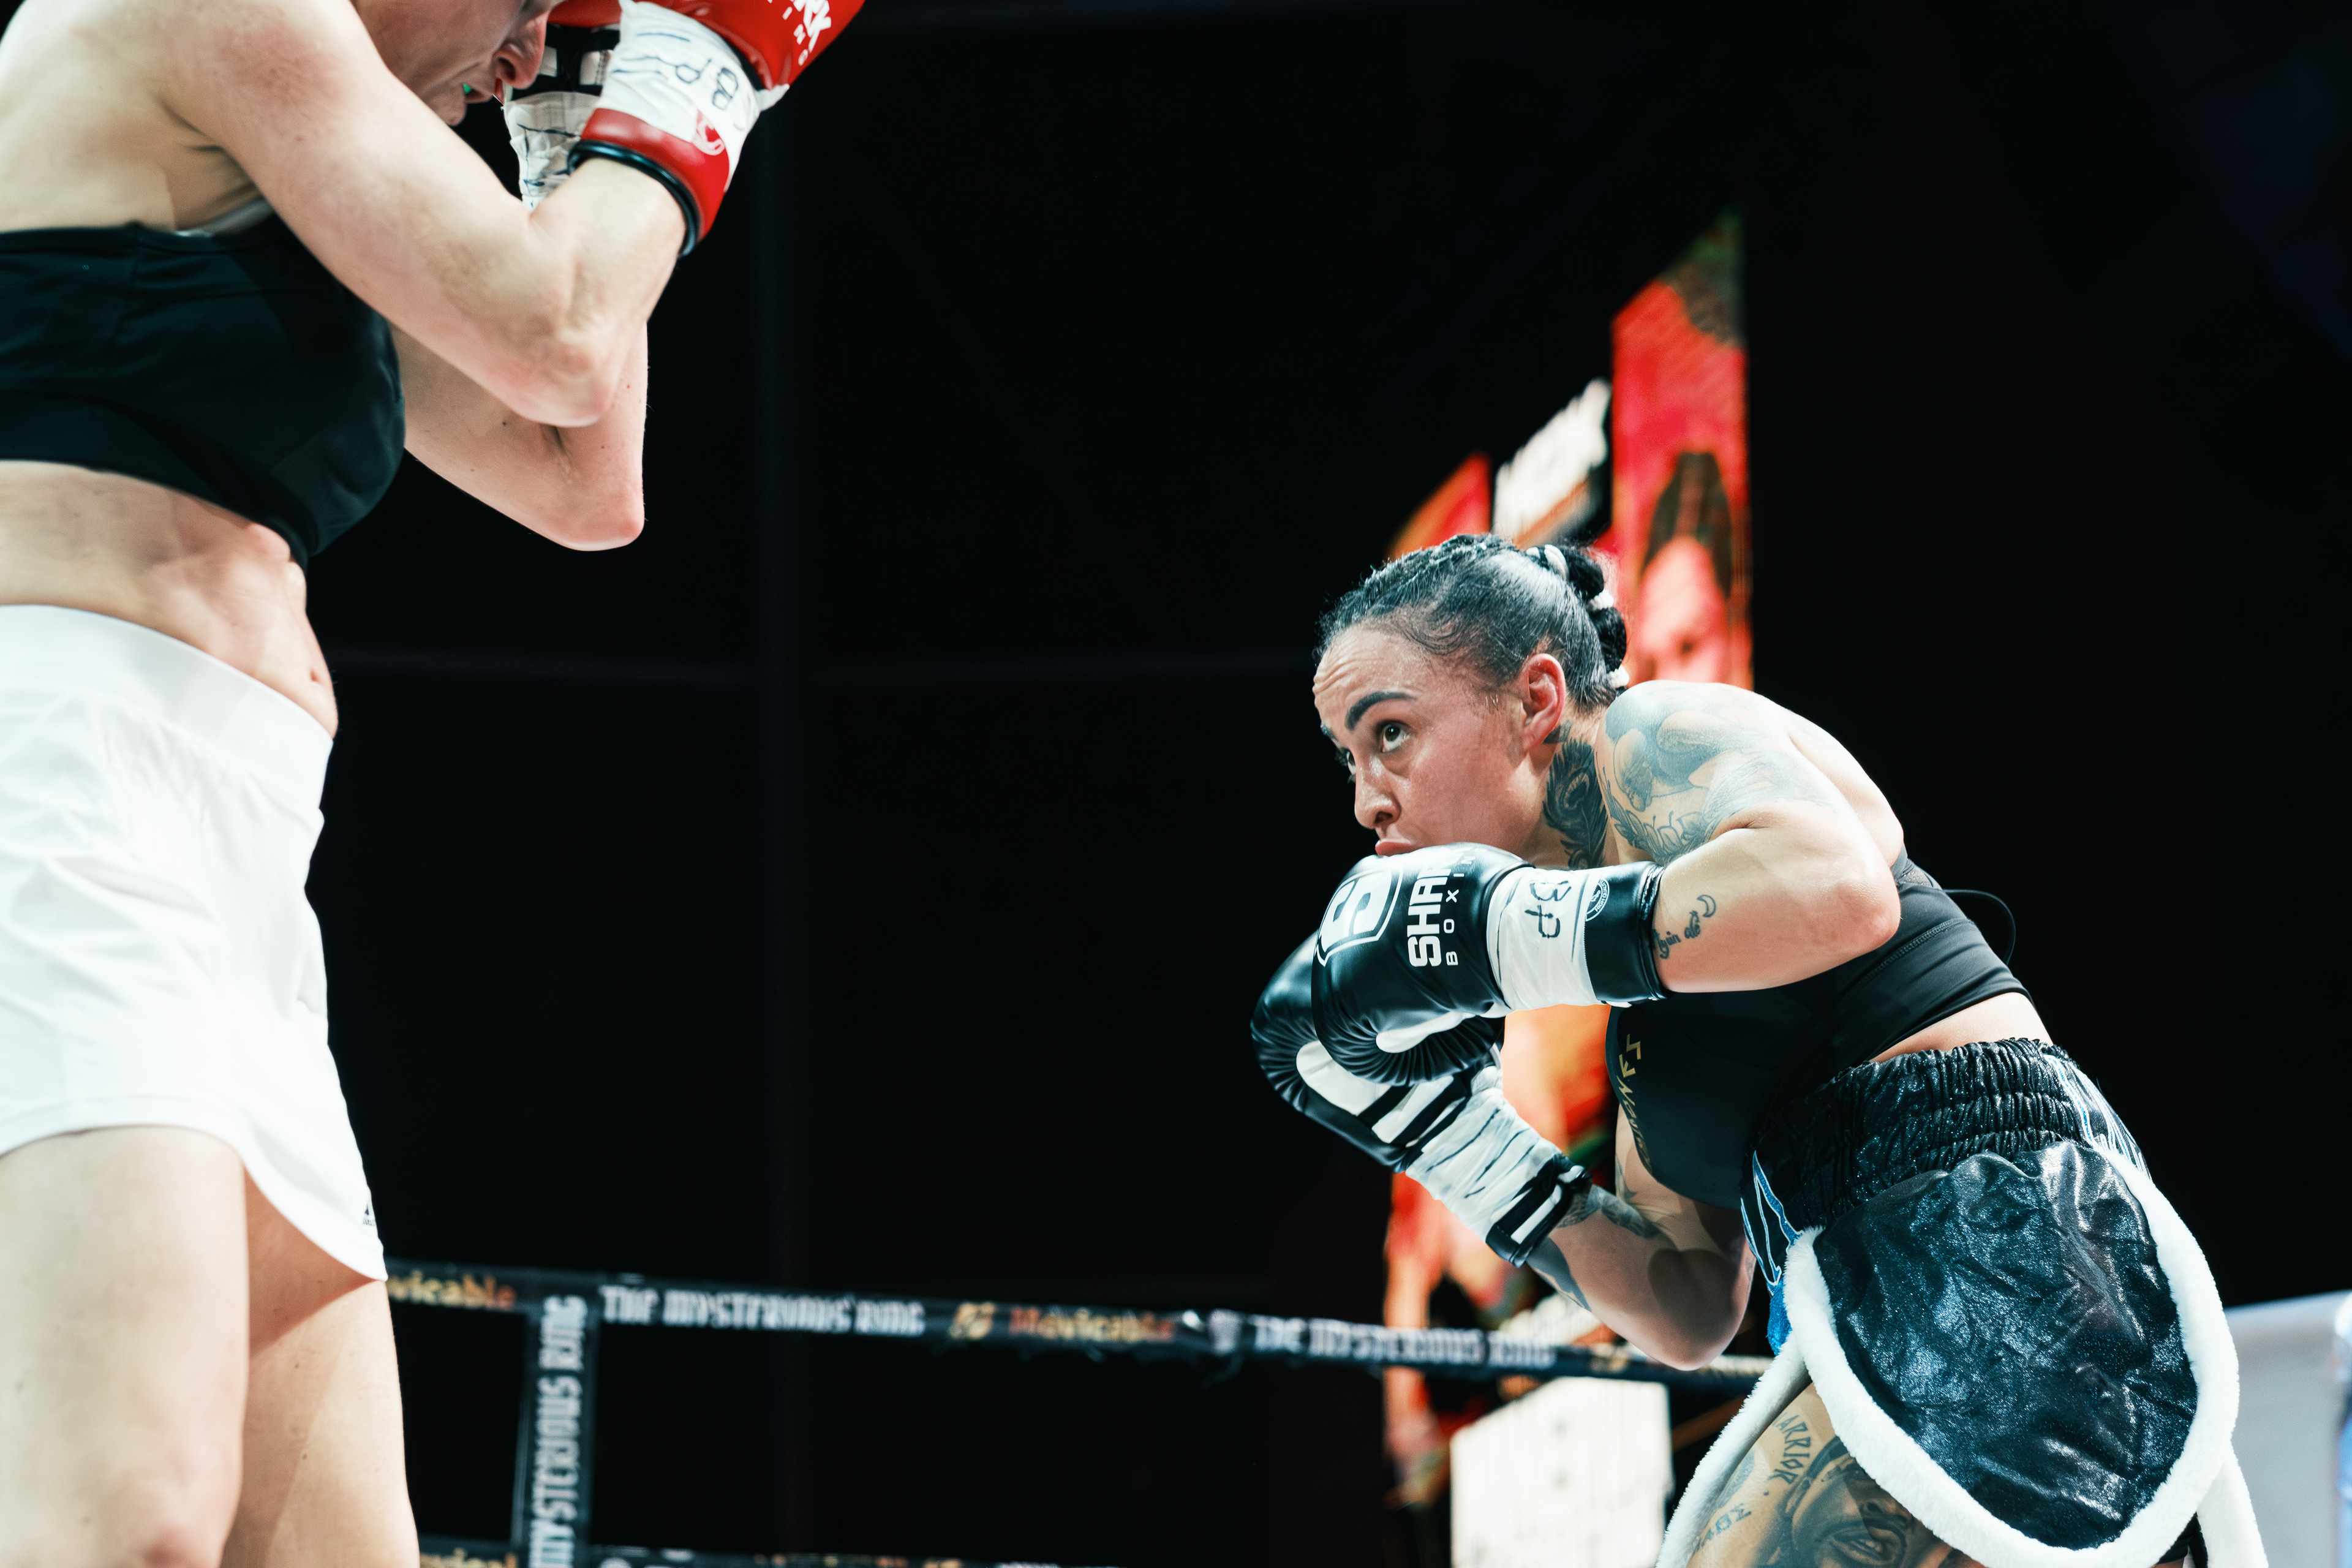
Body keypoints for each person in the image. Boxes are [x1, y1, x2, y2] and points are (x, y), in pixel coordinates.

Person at [0, 0, 853, 1557]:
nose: (527, 53)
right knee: (127, 1513)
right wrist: (700, 70)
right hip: (59, 776)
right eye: (537, 7)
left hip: (237, 856)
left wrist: (582, 125)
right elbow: (556, 329)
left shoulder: (318, 156)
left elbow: (580, 475)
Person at [1251, 532, 2260, 1568]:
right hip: (1881, 1291)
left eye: (1391, 734)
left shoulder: (1652, 733)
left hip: (1997, 1228)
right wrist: (1453, 1139)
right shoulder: (1648, 1017)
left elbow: (1840, 891)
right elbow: (1688, 1307)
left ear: (1537, 700)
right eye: (1349, 759)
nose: (1368, 799)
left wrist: (1496, 939)